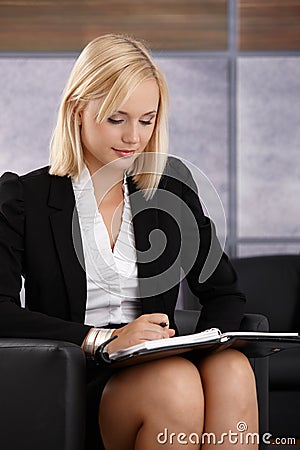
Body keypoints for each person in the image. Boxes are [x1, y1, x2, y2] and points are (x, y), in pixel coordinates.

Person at [0, 34, 258, 449]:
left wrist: (199, 346)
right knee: (173, 381)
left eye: (147, 119)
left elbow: (226, 294)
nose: (134, 138)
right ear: (78, 110)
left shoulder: (169, 194)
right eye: (116, 119)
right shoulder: (23, 198)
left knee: (231, 367)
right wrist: (101, 339)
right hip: (78, 374)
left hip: (162, 362)